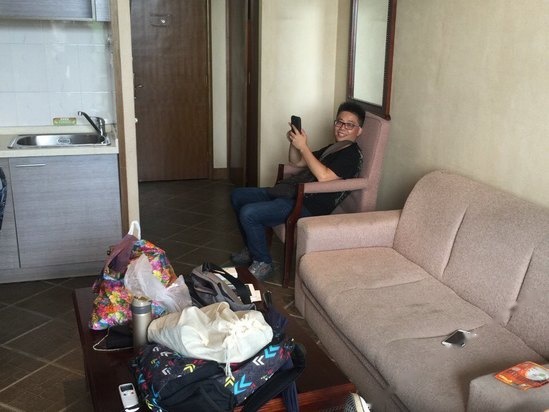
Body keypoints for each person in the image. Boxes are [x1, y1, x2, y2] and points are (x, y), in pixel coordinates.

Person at [230, 101, 365, 279]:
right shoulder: (335, 148)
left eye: (349, 125)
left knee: (249, 213)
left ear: (359, 130)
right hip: (294, 192)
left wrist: (304, 147)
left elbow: (324, 176)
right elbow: (297, 162)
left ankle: (263, 262)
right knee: (238, 195)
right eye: (339, 122)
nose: (342, 128)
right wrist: (295, 143)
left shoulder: (351, 155)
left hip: (308, 205)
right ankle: (251, 248)